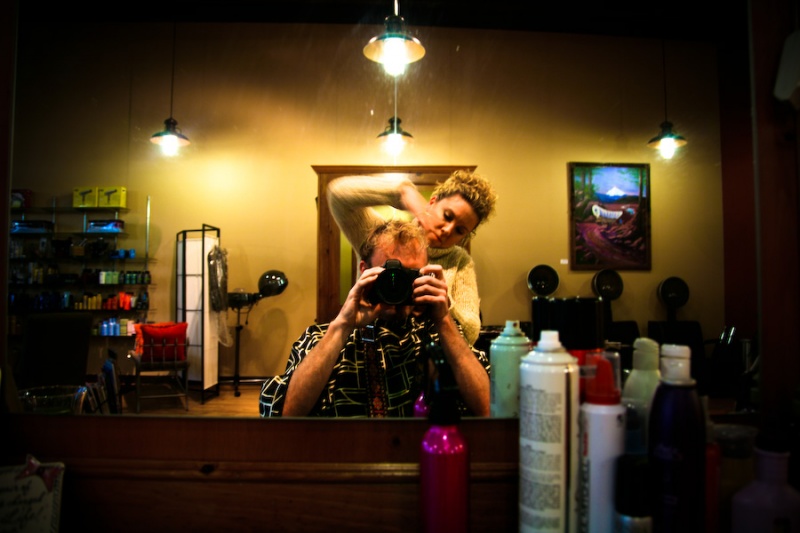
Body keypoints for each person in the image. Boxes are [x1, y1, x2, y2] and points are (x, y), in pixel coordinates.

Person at [260, 219, 490, 418]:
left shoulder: (440, 337)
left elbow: (488, 409)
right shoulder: (320, 337)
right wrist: (342, 325)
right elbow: (286, 415)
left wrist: (444, 320)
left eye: (407, 276)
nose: (396, 285)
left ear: (424, 275)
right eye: (389, 274)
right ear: (364, 270)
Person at [326, 170, 498, 346]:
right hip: (369, 349)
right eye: (447, 216)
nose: (447, 230)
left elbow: (471, 332)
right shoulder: (381, 237)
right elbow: (338, 195)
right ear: (432, 202)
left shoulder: (460, 261)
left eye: (459, 230)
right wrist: (402, 191)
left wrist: (444, 306)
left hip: (426, 357)